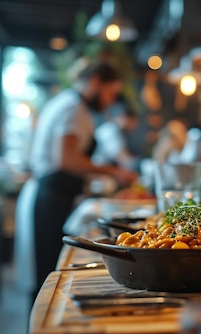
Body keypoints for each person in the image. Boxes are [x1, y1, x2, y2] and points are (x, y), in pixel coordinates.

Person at [15, 60, 138, 301]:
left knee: (48, 269)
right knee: (46, 273)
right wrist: (113, 171)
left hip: (54, 195)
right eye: (110, 94)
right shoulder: (72, 107)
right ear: (95, 82)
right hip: (48, 196)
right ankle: (39, 332)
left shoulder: (72, 105)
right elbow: (66, 159)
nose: (111, 102)